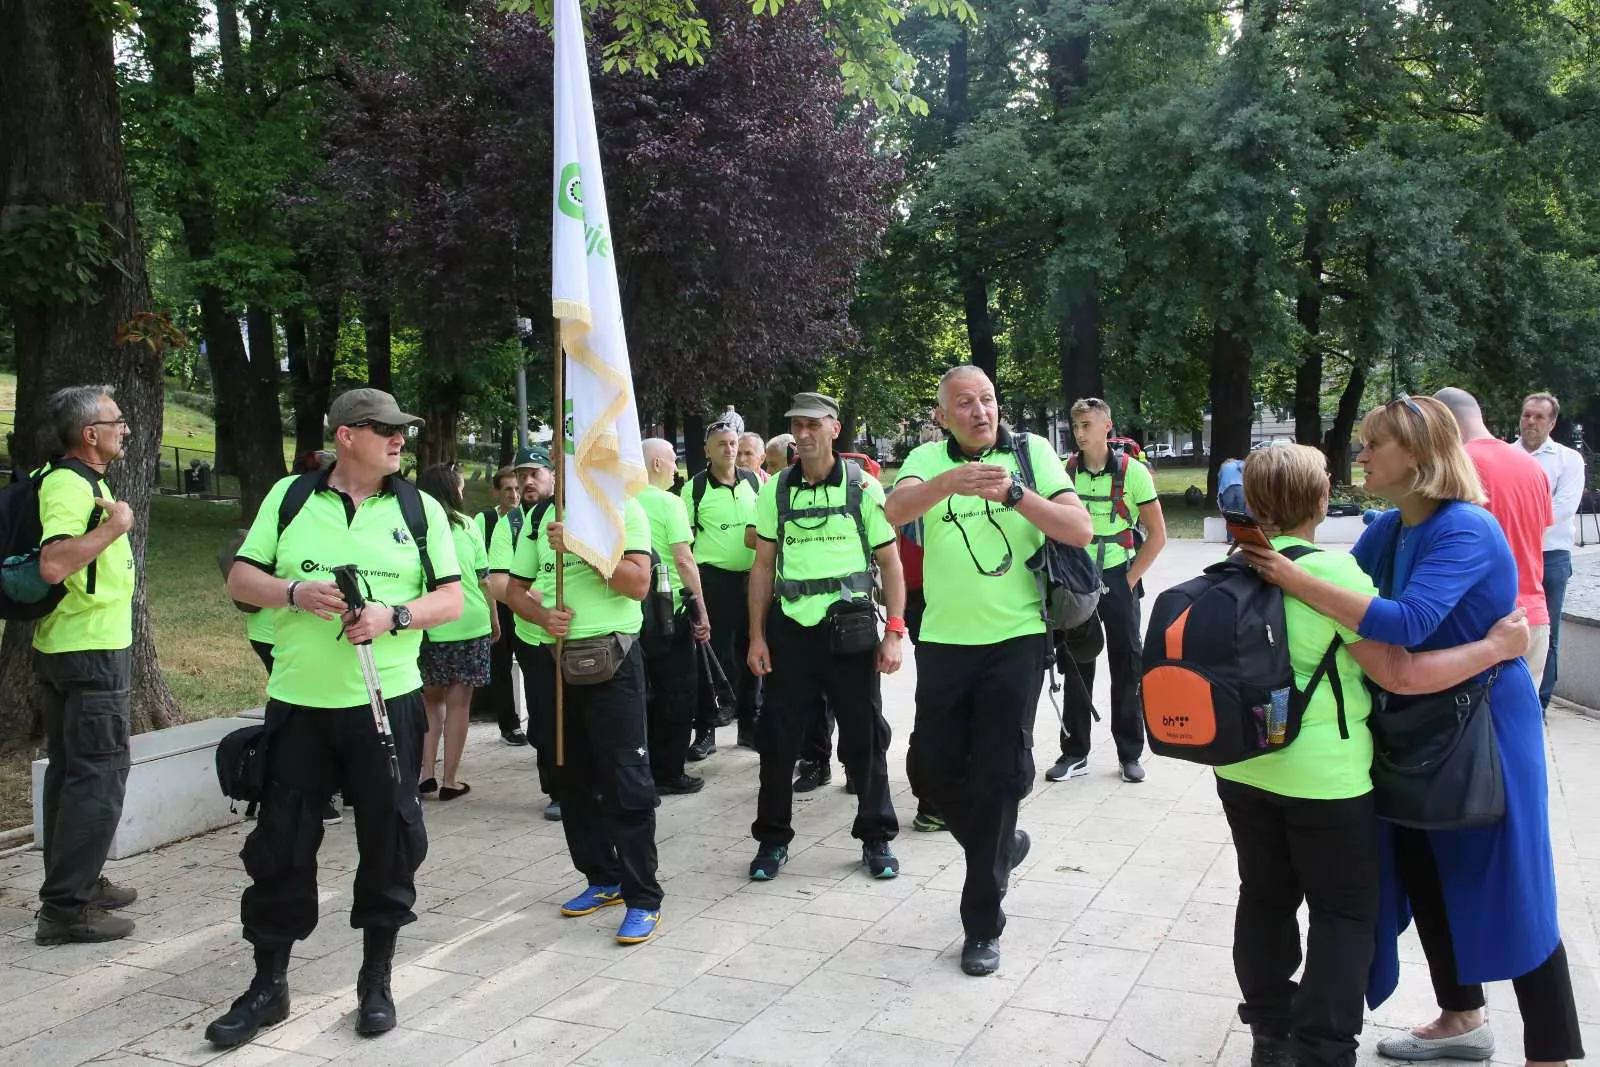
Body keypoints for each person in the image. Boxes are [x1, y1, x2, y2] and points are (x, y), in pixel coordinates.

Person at [1240, 396, 1582, 1067]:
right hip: (1416, 723)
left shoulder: (1466, 528)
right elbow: (1348, 591)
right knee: (1425, 870)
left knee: (1513, 889)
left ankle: (1549, 1053)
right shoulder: (1394, 527)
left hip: (1483, 726)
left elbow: (1406, 621)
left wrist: (1292, 575)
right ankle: (1462, 1018)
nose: (1361, 453)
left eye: (1375, 443)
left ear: (1420, 455)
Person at [211, 388, 463, 1047]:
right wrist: (294, 592)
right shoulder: (290, 497)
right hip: (300, 705)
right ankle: (268, 985)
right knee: (282, 844)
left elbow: (452, 598)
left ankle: (375, 980)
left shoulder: (420, 509)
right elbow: (241, 579)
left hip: (388, 705)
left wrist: (392, 615)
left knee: (390, 839)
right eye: (385, 429)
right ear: (347, 435)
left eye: (402, 429)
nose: (399, 439)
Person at [885, 365, 1093, 977]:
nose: (980, 411)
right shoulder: (926, 458)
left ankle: (982, 924)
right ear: (942, 416)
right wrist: (948, 482)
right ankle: (1000, 843)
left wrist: (1014, 495)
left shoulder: (1032, 454)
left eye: (988, 400)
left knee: (998, 778)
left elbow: (1080, 529)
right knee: (928, 768)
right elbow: (893, 511)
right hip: (944, 640)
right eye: (965, 403)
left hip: (1017, 638)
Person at [744, 392, 906, 881]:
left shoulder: (863, 487)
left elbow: (891, 563)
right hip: (791, 630)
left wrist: (894, 631)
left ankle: (876, 837)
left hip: (850, 631)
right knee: (778, 739)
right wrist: (756, 636)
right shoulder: (775, 490)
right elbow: (763, 566)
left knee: (864, 736)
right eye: (797, 425)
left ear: (834, 428)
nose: (804, 433)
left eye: (814, 424)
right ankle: (772, 840)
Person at [504, 491, 664, 945]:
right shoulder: (540, 514)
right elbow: (514, 590)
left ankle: (643, 898)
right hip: (554, 662)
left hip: (613, 660)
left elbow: (638, 583)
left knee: (625, 779)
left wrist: (578, 545)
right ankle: (602, 877)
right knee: (569, 775)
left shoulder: (623, 507)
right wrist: (542, 615)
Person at [31, 385, 139, 946]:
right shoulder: (69, 484)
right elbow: (53, 564)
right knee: (97, 775)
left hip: (75, 646)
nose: (126, 427)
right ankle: (66, 910)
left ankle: (78, 882)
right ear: (90, 434)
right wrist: (115, 527)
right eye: (116, 420)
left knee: (74, 772)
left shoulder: (79, 479)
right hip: (88, 652)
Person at [1046, 397, 1167, 784]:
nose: (1079, 433)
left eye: (1087, 425)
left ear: (1107, 427)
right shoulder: (1065, 471)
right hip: (1076, 577)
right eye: (1075, 426)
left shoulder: (1133, 473)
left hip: (1119, 575)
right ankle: (1075, 752)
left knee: (1127, 664)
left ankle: (1130, 753)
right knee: (1076, 662)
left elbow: (1158, 535)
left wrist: (1130, 580)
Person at [1434, 387, 1554, 680]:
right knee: (1527, 709)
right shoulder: (1533, 467)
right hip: (1533, 618)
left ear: (1445, 421)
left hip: (1482, 625)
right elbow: (1538, 540)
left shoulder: (1456, 466)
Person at [487, 446, 561, 819]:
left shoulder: (573, 513)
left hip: (581, 635)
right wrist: (537, 601)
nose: (527, 482)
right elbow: (498, 582)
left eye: (535, 473)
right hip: (533, 638)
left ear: (553, 475)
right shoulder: (512, 523)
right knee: (546, 715)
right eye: (522, 475)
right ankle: (557, 789)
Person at [416, 463, 497, 800]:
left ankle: (426, 774)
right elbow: (484, 578)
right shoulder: (468, 525)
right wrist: (494, 619)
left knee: (430, 701)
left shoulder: (413, 527)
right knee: (459, 704)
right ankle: (450, 780)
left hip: (429, 622)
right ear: (452, 491)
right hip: (471, 619)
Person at [681, 420, 762, 758]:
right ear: (707, 450)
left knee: (752, 650)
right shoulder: (695, 489)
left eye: (732, 443)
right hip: (712, 580)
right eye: (721, 444)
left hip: (752, 579)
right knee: (709, 655)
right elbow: (683, 543)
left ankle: (749, 726)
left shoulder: (754, 481)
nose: (729, 450)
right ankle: (706, 730)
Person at [639, 438, 711, 794]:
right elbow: (683, 559)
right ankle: (668, 771)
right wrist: (701, 609)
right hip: (668, 612)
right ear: (656, 464)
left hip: (630, 610)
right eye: (672, 460)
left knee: (641, 692)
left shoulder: (620, 501)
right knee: (677, 691)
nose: (676, 468)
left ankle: (641, 767)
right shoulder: (669, 502)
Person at [1518, 392, 1586, 709]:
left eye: (1539, 417)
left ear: (1552, 423)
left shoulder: (1567, 460)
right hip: (1512, 554)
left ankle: (1539, 702)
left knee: (1547, 630)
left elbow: (1562, 509)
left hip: (1550, 556)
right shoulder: (1507, 455)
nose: (1531, 421)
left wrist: (1516, 524)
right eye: (1527, 415)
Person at [472, 465, 528, 746]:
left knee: (531, 659)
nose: (514, 495)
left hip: (525, 597)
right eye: (507, 490)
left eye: (517, 489)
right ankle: (509, 724)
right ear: (496, 492)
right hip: (497, 600)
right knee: (501, 662)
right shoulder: (485, 520)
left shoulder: (528, 517)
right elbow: (481, 567)